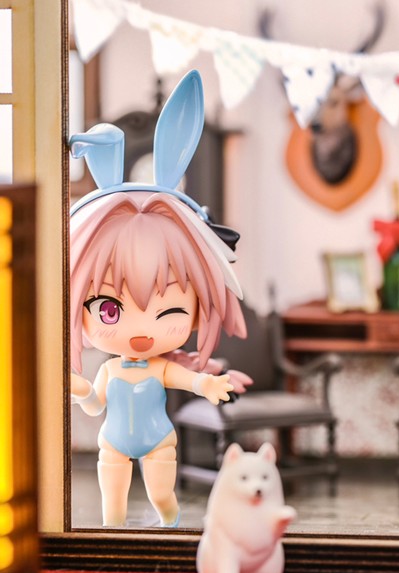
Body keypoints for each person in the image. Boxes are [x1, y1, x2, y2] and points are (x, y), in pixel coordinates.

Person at [69, 70, 247, 527]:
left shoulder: (161, 368)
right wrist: (80, 389)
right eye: (110, 309)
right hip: (112, 445)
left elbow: (189, 381)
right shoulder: (109, 370)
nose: (142, 330)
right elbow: (95, 404)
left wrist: (208, 385)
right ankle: (113, 544)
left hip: (159, 443)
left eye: (169, 310)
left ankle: (168, 524)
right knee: (111, 509)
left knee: (163, 499)